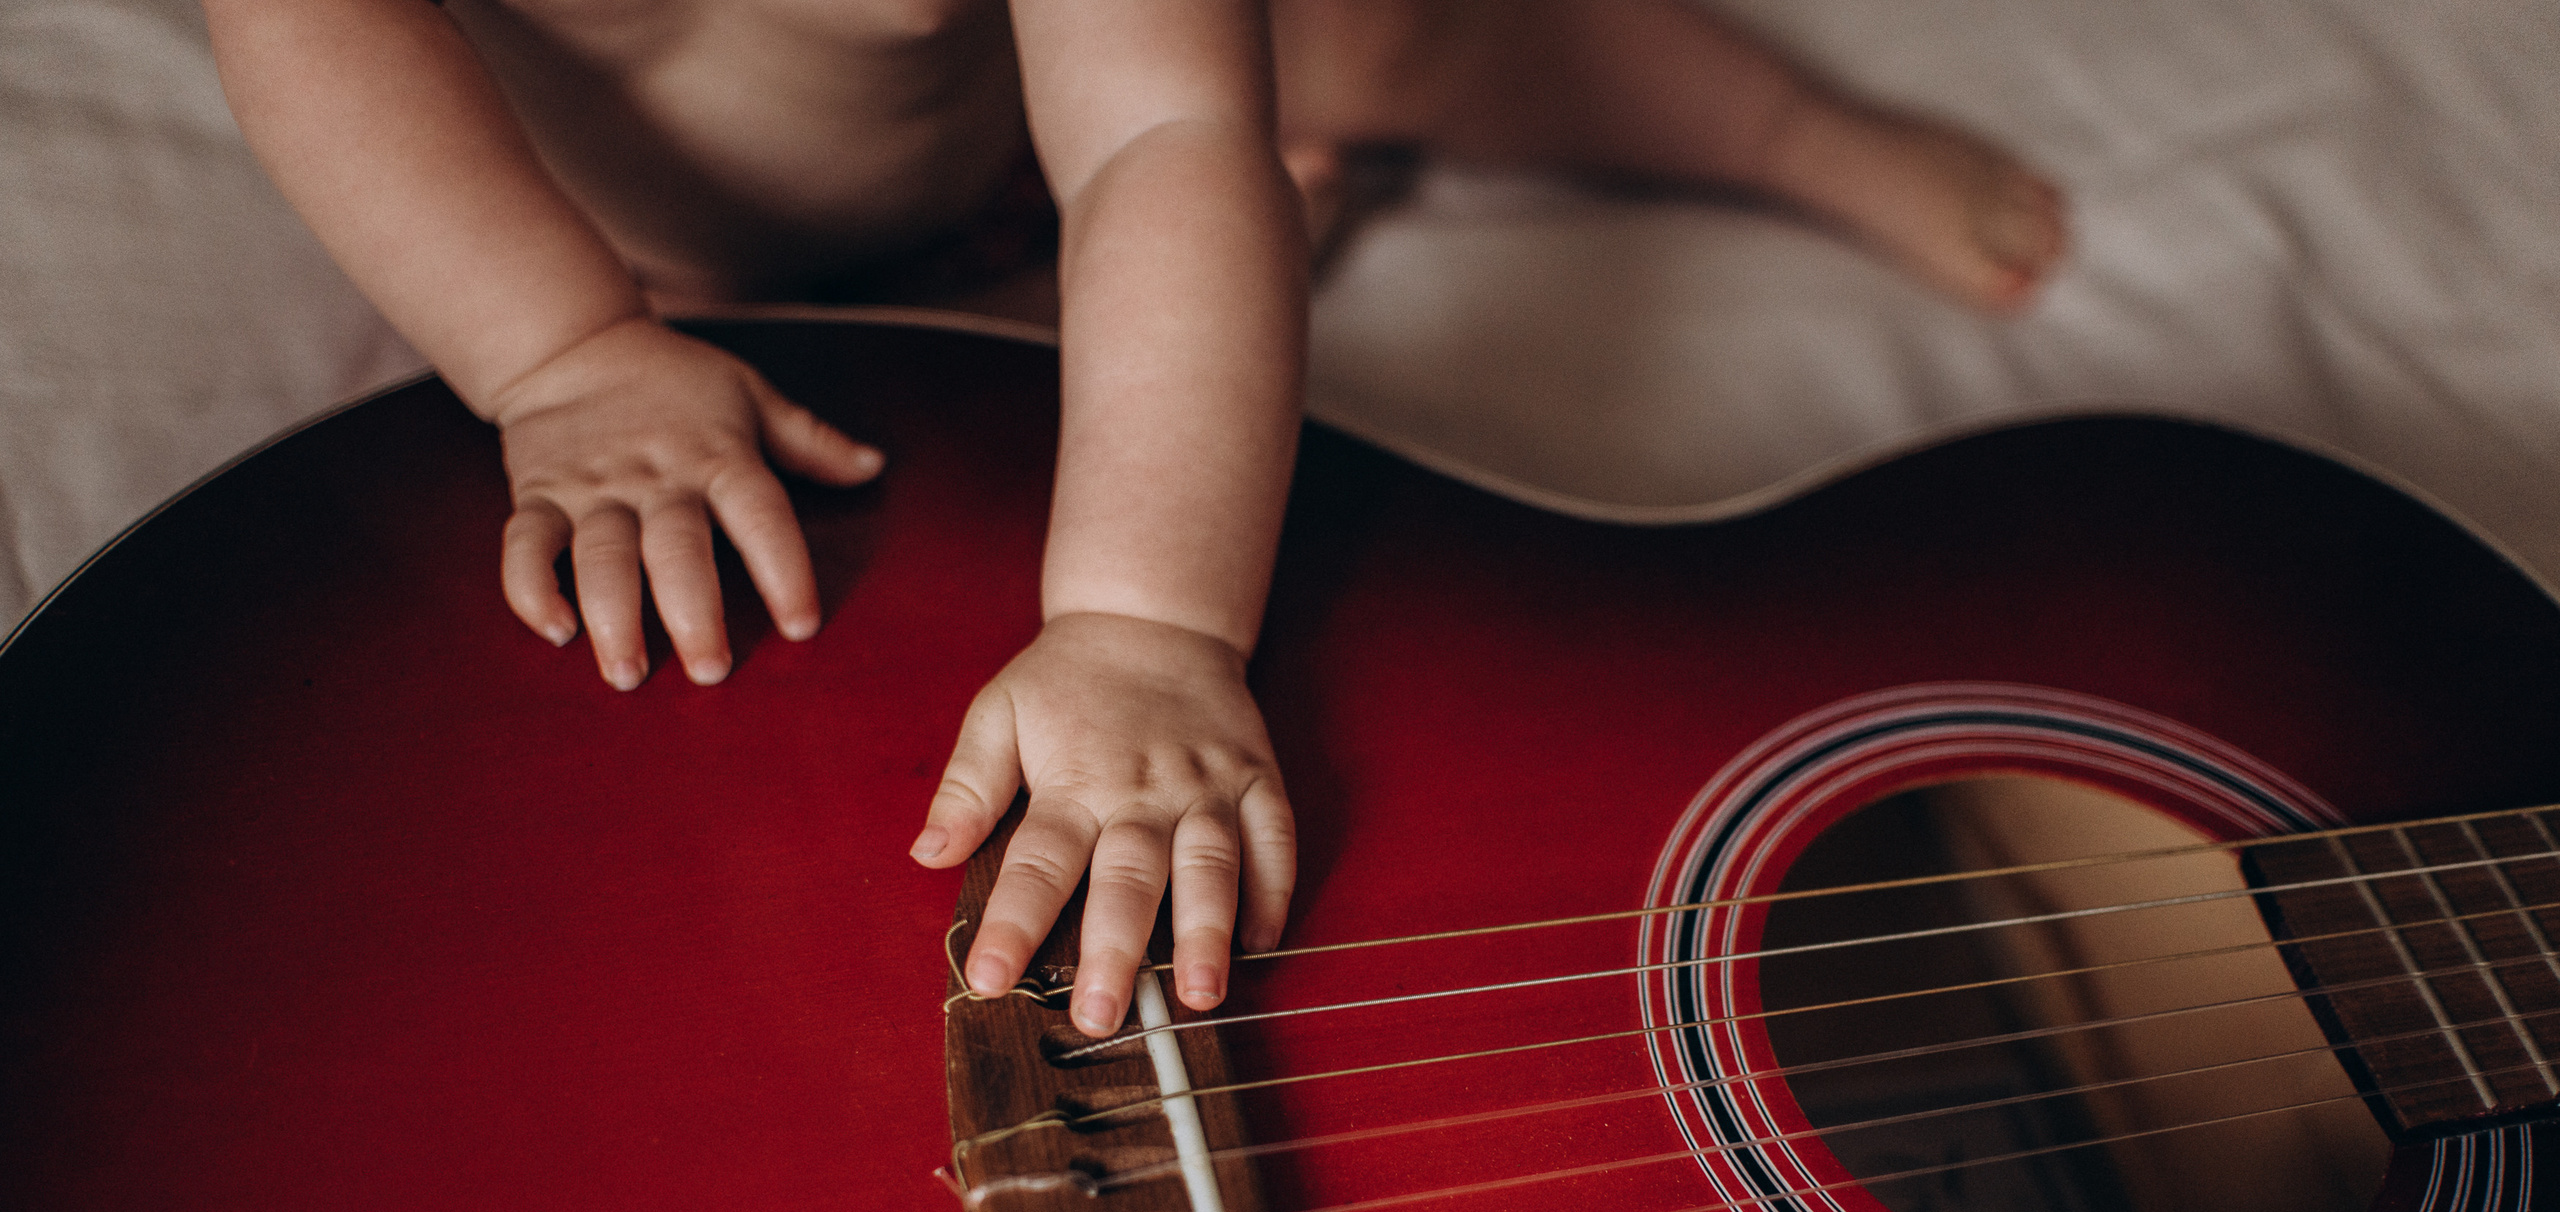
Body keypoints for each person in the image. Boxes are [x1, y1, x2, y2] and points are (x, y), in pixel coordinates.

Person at [201, 0, 2065, 1038]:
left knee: (1396, 38)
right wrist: (567, 353)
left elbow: (1163, 142)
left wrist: (1144, 621)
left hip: (1014, 155)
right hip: (654, 269)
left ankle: (1794, 136)